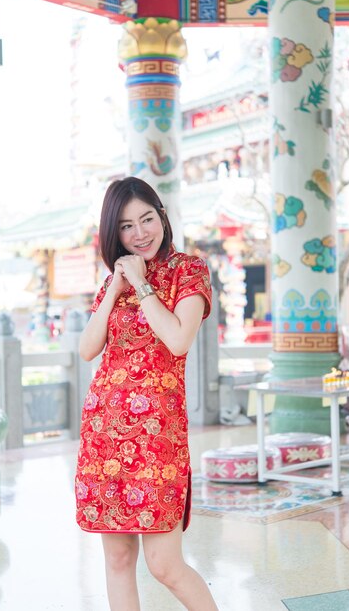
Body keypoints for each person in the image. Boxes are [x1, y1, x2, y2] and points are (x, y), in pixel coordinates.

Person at [75, 177, 219, 611]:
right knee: (118, 558)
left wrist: (141, 286)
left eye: (146, 219)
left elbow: (177, 340)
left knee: (164, 565)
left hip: (158, 437)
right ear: (112, 233)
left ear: (162, 217)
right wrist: (116, 288)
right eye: (125, 226)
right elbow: (87, 350)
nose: (139, 233)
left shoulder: (189, 270)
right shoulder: (114, 280)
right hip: (104, 435)